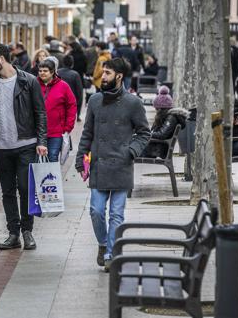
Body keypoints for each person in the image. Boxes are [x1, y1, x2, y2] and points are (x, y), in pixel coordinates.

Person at [75, 58, 150, 271]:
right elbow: (87, 132)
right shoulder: (95, 101)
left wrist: (131, 151)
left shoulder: (132, 103)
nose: (103, 76)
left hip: (122, 165)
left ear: (119, 76)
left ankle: (110, 253)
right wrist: (81, 157)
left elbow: (144, 132)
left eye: (107, 73)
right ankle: (103, 244)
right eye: (102, 72)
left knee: (116, 213)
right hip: (99, 165)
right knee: (96, 211)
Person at [0, 43, 47, 251]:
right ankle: (13, 233)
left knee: (26, 189)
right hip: (1, 147)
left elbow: (40, 113)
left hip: (26, 144)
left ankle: (27, 232)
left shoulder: (28, 81)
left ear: (1, 59)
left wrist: (42, 142)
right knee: (7, 191)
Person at [37, 58, 77, 163]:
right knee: (37, 160)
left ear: (52, 72)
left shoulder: (63, 86)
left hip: (56, 132)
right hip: (36, 131)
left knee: (52, 158)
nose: (42, 73)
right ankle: (37, 179)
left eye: (45, 71)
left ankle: (51, 180)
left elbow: (72, 105)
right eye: (40, 71)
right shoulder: (34, 84)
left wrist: (68, 127)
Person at [141, 86, 188, 158]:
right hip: (156, 147)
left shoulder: (171, 118)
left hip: (158, 149)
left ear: (160, 108)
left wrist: (147, 134)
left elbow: (162, 134)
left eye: (156, 108)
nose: (156, 111)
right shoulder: (168, 116)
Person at [58, 54, 84, 122]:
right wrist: (78, 114)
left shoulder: (57, 72)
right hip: (70, 103)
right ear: (72, 64)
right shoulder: (75, 74)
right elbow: (79, 93)